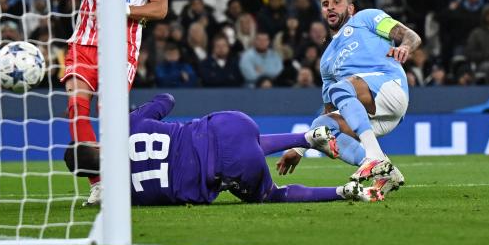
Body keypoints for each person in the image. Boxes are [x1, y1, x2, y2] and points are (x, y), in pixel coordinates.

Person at [51, 0, 169, 205]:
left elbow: (160, 9)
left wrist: (125, 9)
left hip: (122, 46)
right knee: (76, 107)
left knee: (109, 116)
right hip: (84, 39)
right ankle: (99, 182)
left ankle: (119, 173)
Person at [64, 93, 383, 206]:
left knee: (274, 195)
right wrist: (134, 113)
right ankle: (304, 138)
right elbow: (167, 101)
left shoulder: (126, 197)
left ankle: (344, 192)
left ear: (92, 175)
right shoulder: (127, 125)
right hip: (228, 123)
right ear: (94, 142)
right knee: (240, 144)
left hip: (227, 167)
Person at [277, 0, 422, 194]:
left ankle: (373, 157)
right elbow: (329, 111)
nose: (330, 8)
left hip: (390, 88)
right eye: (325, 4)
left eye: (337, 2)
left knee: (342, 87)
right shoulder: (326, 60)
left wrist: (405, 47)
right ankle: (385, 171)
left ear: (351, 8)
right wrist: (300, 147)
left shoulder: (366, 18)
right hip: (374, 115)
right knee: (323, 127)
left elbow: (409, 35)